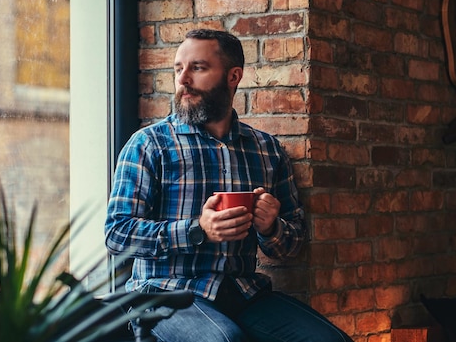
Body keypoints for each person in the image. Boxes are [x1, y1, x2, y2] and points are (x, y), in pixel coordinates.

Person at [105, 29, 353, 342]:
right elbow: (117, 235)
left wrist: (270, 227)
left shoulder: (266, 150)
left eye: (197, 68)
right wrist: (196, 230)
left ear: (233, 76)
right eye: (178, 69)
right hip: (166, 295)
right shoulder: (148, 145)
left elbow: (291, 245)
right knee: (226, 341)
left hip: (244, 294)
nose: (183, 80)